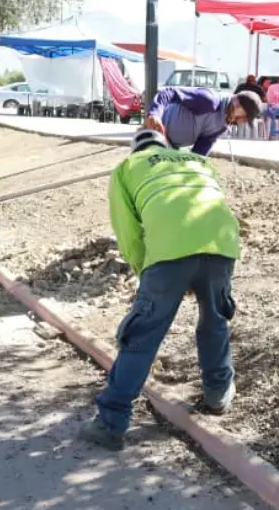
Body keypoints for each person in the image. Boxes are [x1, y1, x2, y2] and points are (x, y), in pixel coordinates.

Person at [79, 128, 241, 452]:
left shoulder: (128, 168)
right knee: (214, 321)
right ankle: (218, 395)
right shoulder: (197, 160)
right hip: (222, 243)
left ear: (135, 150)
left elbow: (128, 232)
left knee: (142, 335)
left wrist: (146, 274)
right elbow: (214, 202)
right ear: (165, 145)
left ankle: (111, 423)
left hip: (169, 251)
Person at [142, 86, 261, 155]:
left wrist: (195, 165)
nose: (243, 122)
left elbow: (202, 147)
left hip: (171, 147)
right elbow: (169, 92)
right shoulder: (209, 101)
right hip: (153, 133)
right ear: (238, 106)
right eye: (245, 117)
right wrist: (154, 113)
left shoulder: (222, 125)